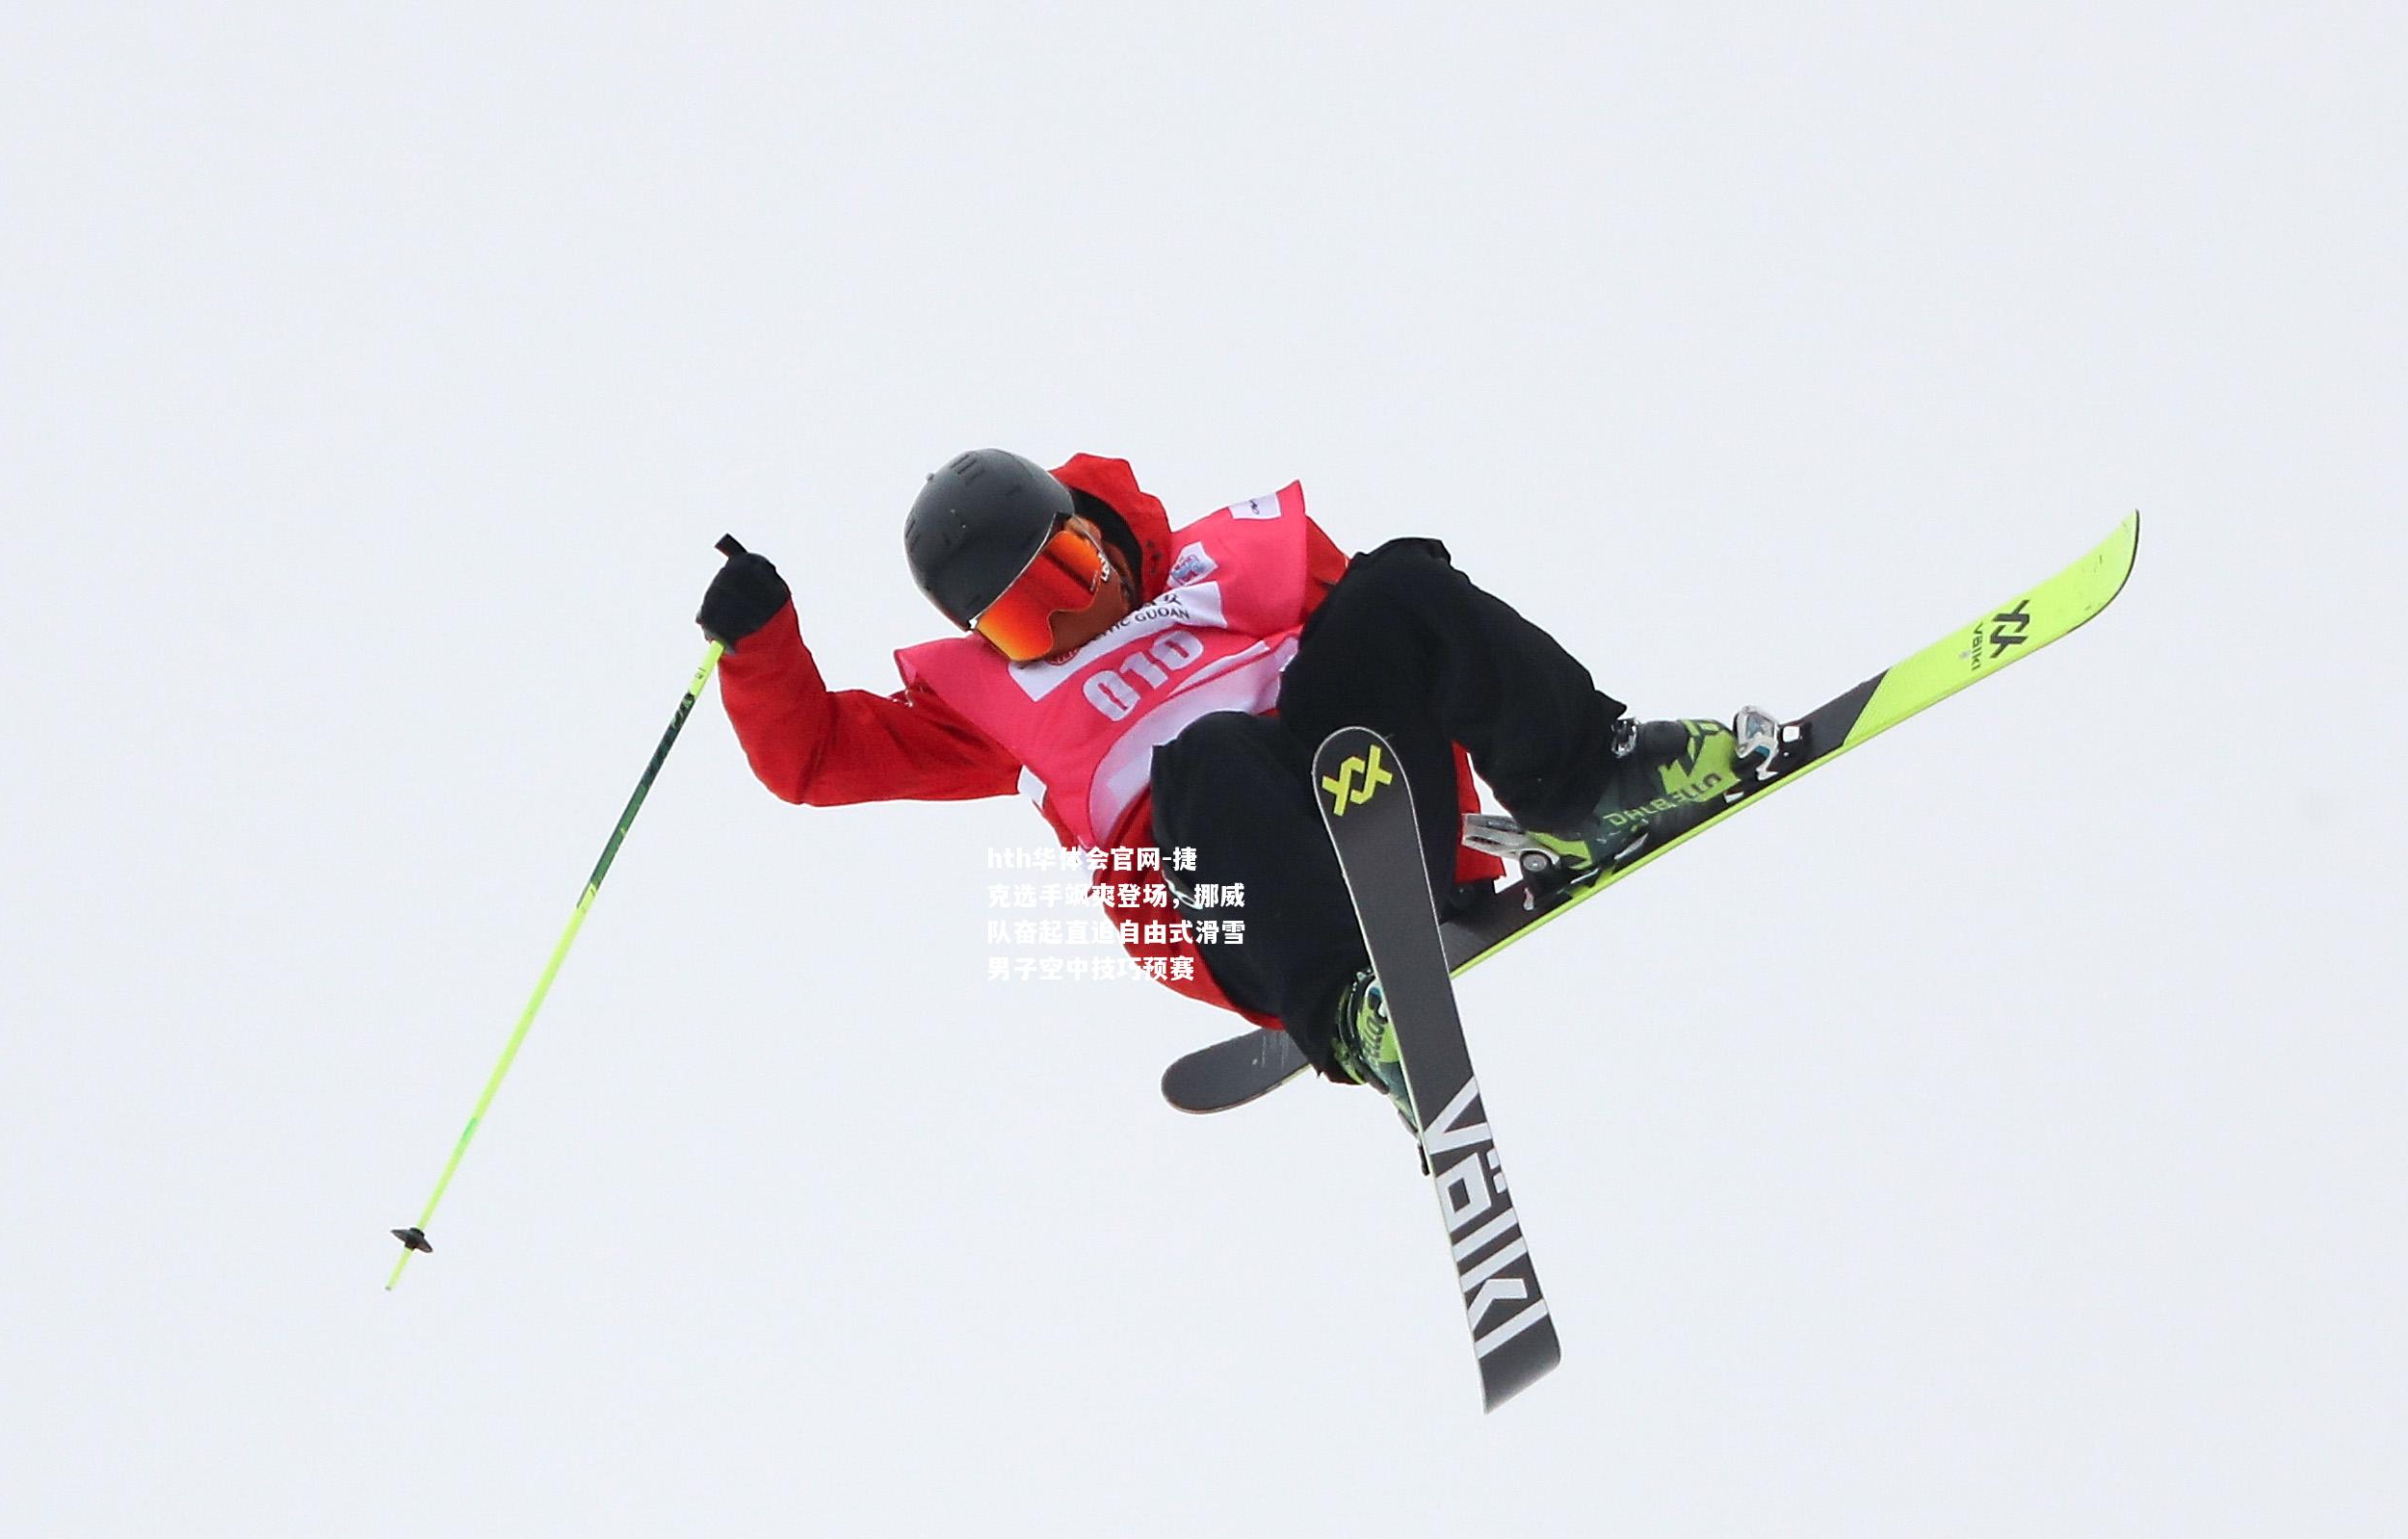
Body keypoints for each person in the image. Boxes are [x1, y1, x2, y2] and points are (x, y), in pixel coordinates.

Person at [697, 449, 1745, 1124]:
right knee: (1205, 754)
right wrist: (756, 644)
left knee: (1397, 586)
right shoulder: (987, 711)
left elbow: (1411, 647)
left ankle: (1590, 779)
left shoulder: (1223, 574)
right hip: (1222, 895)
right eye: (1027, 623)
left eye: (1069, 576)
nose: (1071, 623)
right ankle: (1353, 1009)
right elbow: (818, 756)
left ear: (1097, 532)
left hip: (1367, 798)